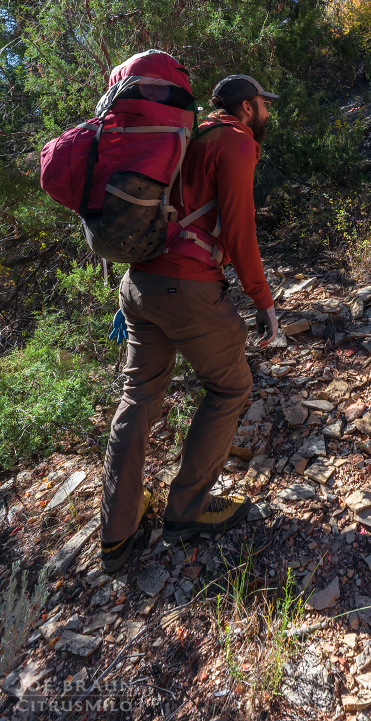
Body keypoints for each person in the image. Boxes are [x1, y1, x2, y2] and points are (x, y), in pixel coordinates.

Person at [100, 74, 279, 572]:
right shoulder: (235, 143)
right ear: (246, 108)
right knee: (230, 387)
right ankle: (187, 511)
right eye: (265, 105)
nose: (268, 113)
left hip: (139, 285)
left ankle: (116, 535)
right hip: (186, 285)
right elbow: (240, 230)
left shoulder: (184, 136)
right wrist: (265, 305)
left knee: (138, 396)